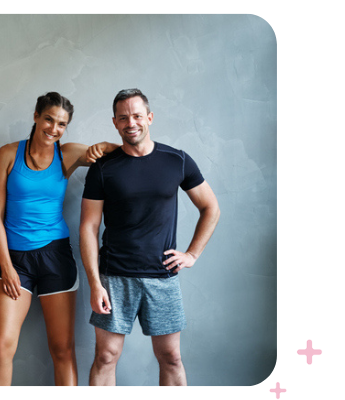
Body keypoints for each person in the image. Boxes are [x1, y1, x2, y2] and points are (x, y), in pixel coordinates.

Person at [79, 88, 220, 386]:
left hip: (163, 277)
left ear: (149, 118)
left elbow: (210, 207)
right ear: (115, 123)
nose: (131, 122)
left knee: (171, 357)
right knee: (106, 356)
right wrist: (94, 282)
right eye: (123, 117)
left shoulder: (177, 160)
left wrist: (192, 254)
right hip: (114, 277)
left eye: (137, 115)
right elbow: (88, 228)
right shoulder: (103, 168)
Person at [0, 92, 117, 386]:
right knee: (1, 348)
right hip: (14, 259)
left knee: (62, 349)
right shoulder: (8, 154)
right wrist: (5, 266)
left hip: (55, 257)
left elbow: (113, 153)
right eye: (49, 119)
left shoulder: (67, 154)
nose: (53, 128)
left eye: (61, 124)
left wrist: (107, 145)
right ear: (36, 115)